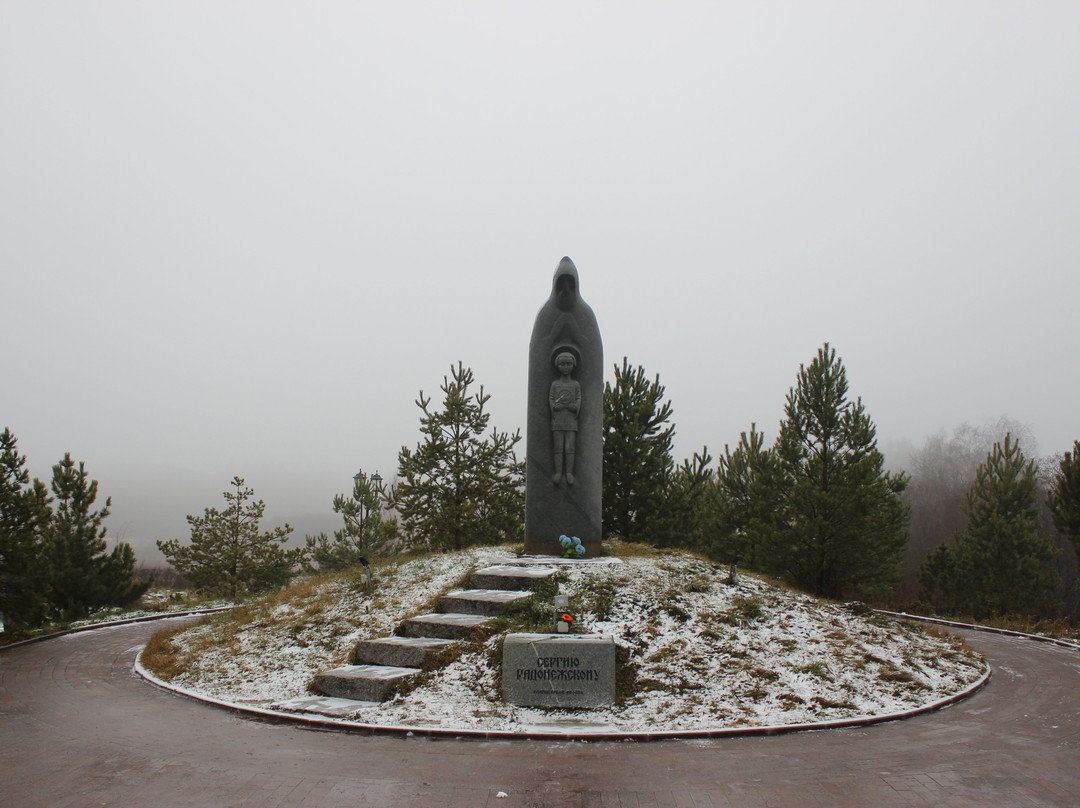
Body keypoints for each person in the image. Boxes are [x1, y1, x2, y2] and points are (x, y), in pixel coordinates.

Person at [549, 351, 580, 485]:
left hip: (571, 421)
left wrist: (575, 407)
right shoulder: (555, 384)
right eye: (563, 364)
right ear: (557, 365)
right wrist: (554, 406)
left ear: (573, 365)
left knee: (570, 447)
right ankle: (558, 472)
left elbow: (579, 398)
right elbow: (551, 398)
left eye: (568, 364)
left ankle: (569, 473)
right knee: (558, 447)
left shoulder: (575, 384)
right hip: (558, 420)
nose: (566, 367)